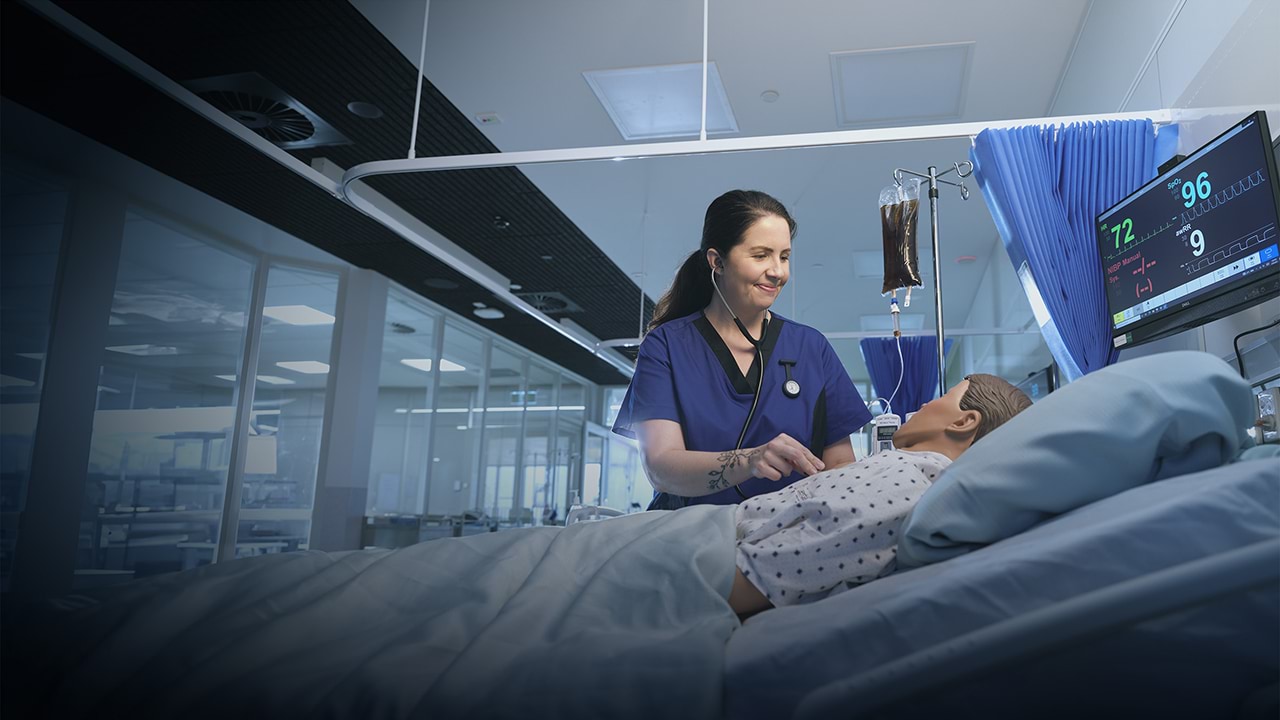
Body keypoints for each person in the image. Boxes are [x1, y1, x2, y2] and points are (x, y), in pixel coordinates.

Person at [612, 190, 873, 510]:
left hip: (789, 538)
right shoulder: (667, 346)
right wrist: (750, 461)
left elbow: (840, 465)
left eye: (784, 256)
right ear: (717, 261)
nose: (778, 271)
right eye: (761, 255)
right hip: (690, 538)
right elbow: (660, 468)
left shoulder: (811, 347)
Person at [726, 373, 1033, 616]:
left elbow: (750, 579)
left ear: (964, 422)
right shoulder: (903, 472)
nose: (925, 404)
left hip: (709, 550)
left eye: (942, 396)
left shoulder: (905, 487)